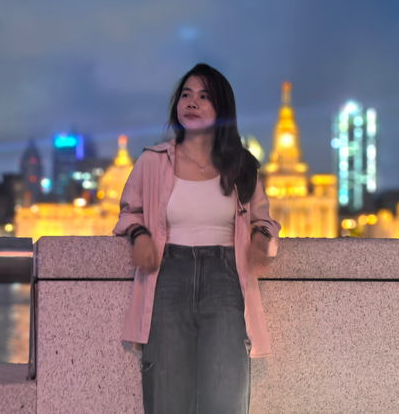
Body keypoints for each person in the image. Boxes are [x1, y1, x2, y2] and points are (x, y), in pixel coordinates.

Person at [113, 63, 281, 414]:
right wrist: (140, 236)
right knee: (167, 395)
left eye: (204, 97)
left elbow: (264, 220)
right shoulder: (152, 162)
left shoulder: (242, 167)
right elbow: (129, 211)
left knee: (226, 390)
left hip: (225, 279)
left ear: (222, 109)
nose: (192, 102)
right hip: (167, 276)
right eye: (186, 95)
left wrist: (259, 241)